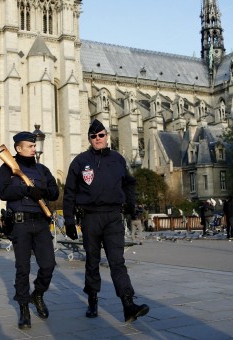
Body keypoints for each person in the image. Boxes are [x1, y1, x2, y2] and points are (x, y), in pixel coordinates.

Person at [63, 119, 149, 323]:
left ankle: (128, 304)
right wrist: (68, 221)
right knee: (92, 261)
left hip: (113, 217)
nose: (97, 139)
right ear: (89, 139)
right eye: (93, 136)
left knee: (117, 262)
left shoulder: (118, 159)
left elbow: (128, 184)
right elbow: (69, 192)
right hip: (90, 217)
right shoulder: (80, 161)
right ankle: (93, 300)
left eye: (101, 135)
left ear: (107, 135)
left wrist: (130, 205)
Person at [0, 131, 60, 330]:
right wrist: (25, 190)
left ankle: (38, 294)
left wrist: (42, 192)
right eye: (30, 146)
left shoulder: (42, 170)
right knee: (23, 269)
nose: (34, 148)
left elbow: (55, 191)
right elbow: (3, 192)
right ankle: (24, 308)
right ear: (18, 148)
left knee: (48, 265)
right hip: (20, 223)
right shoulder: (8, 168)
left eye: (34, 145)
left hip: (41, 223)